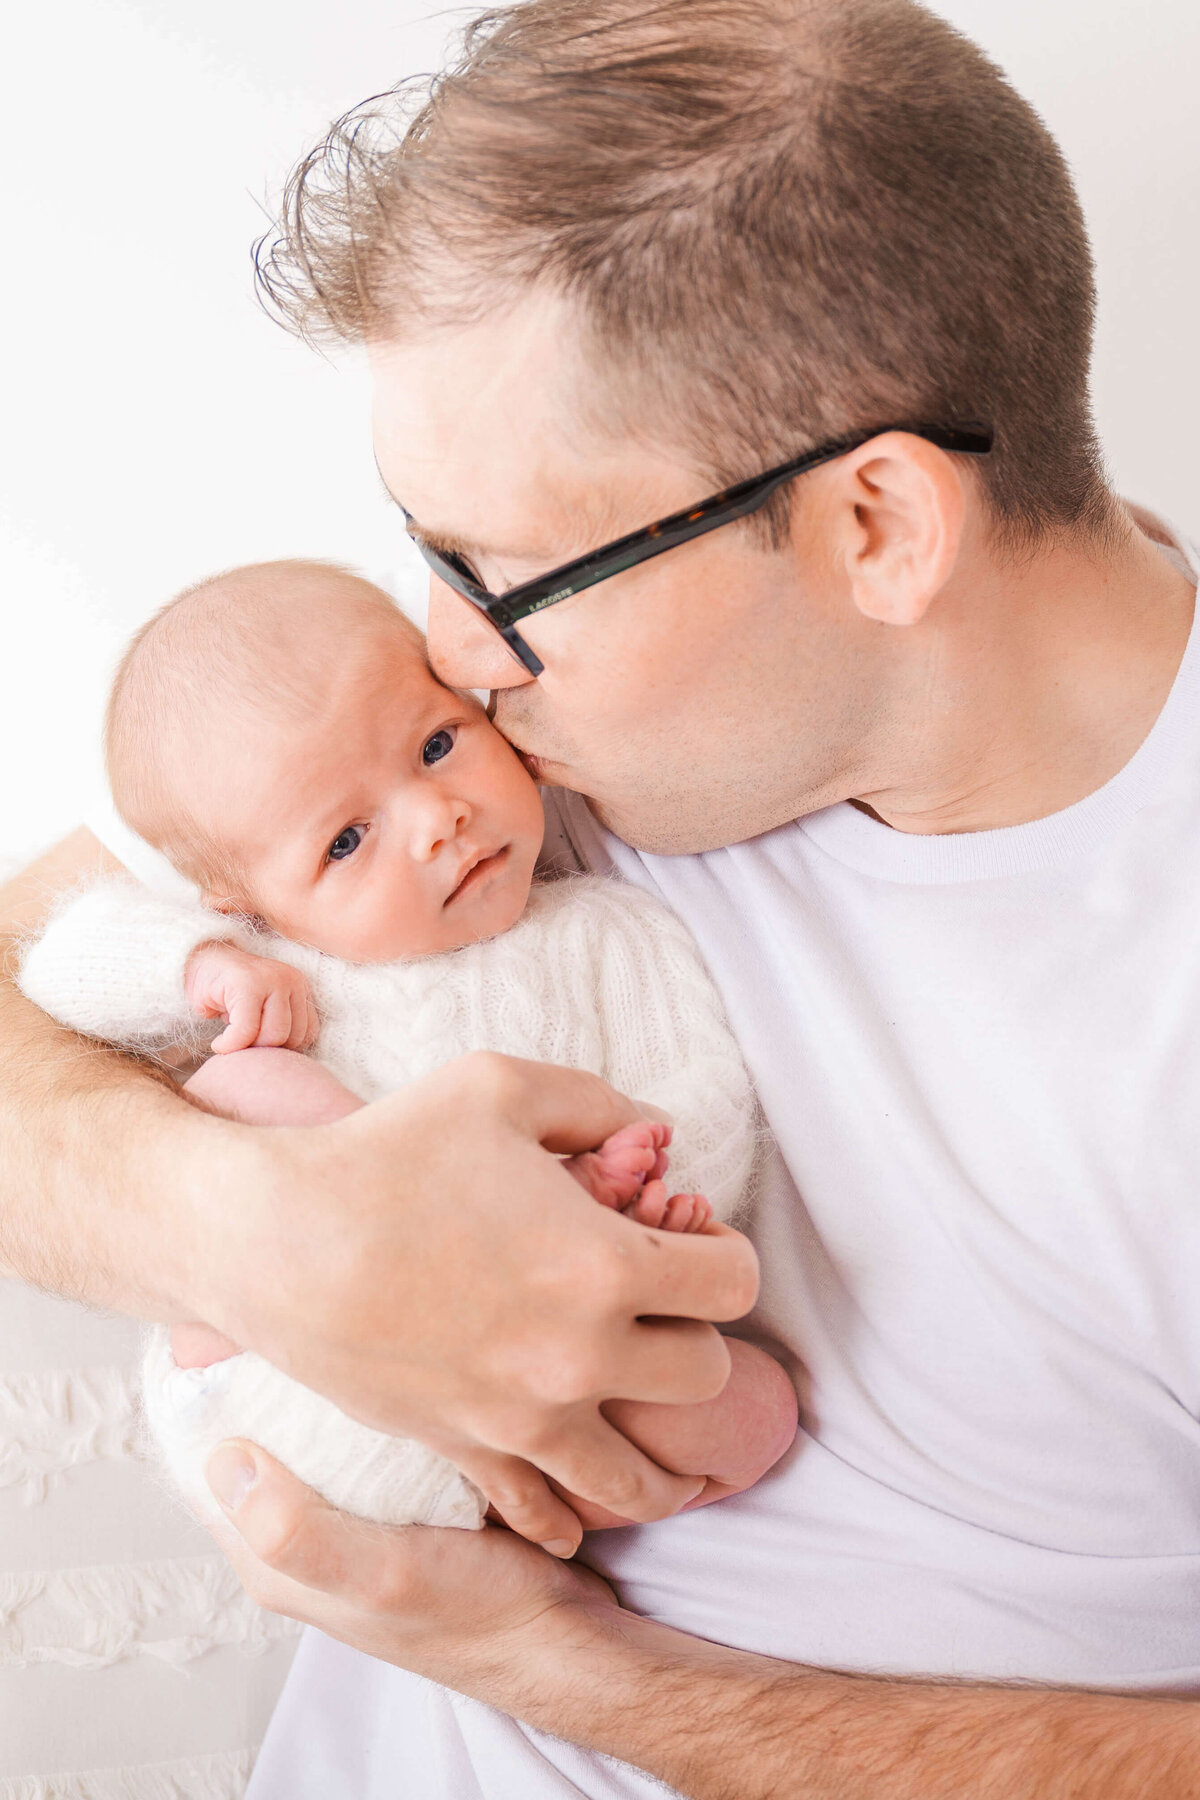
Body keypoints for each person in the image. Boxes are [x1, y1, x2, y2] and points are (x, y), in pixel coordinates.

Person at [4, 0, 1200, 1793]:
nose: (440, 652)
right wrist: (267, 1238)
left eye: (503, 574)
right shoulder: (503, 765)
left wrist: (572, 1673)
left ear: (875, 528)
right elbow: (28, 969)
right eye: (426, 548)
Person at [18, 558, 792, 1532]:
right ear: (244, 897)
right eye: (346, 841)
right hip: (287, 1384)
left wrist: (615, 1194)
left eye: (435, 744)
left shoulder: (609, 934)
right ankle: (228, 1332)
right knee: (252, 1085)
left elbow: (707, 1097)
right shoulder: (274, 959)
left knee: (757, 1412)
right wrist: (200, 966)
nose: (436, 821)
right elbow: (56, 956)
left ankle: (534, 1521)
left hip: (535, 1372)